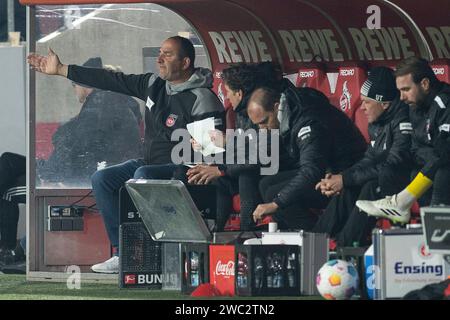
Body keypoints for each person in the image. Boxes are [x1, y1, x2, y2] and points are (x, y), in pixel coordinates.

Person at [28, 36, 224, 273]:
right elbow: (111, 79)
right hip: (151, 164)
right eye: (160, 53)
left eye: (168, 55)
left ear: (185, 62)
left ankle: (154, 251)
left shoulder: (201, 99)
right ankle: (124, 253)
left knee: (142, 174)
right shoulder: (155, 85)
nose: (159, 59)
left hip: (185, 169)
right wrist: (62, 70)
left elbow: (212, 154)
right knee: (103, 179)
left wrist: (201, 147)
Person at [312, 67, 413, 246]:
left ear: (384, 104)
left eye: (367, 102)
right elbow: (369, 159)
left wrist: (347, 179)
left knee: (370, 186)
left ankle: (346, 248)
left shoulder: (403, 121)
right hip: (385, 177)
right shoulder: (377, 122)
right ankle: (316, 242)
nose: (362, 107)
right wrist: (342, 178)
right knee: (350, 186)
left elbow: (395, 165)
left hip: (407, 181)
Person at [247, 82, 367, 230]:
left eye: (264, 122)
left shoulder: (308, 121)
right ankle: (290, 234)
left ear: (277, 106)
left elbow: (311, 170)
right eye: (258, 125)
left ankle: (316, 236)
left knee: (276, 196)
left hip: (345, 173)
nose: (262, 129)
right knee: (266, 184)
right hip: (327, 167)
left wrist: (276, 203)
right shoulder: (290, 109)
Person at [186, 62, 282, 231]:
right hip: (247, 166)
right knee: (209, 178)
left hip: (271, 168)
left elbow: (261, 154)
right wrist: (208, 148)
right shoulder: (238, 112)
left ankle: (247, 231)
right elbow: (242, 149)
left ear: (239, 93)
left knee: (245, 176)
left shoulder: (260, 109)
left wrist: (222, 167)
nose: (227, 97)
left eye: (228, 92)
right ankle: (216, 232)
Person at [357, 57, 450, 224]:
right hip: (431, 169)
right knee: (394, 172)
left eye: (406, 89)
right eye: (399, 91)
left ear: (425, 84)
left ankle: (435, 229)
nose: (401, 97)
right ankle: (404, 225)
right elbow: (416, 148)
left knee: (443, 170)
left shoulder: (445, 103)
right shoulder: (415, 107)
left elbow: (445, 151)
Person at [37, 57, 143, 185]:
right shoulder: (109, 102)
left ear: (83, 83)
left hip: (101, 176)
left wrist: (49, 171)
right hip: (110, 172)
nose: (74, 89)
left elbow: (80, 142)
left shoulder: (101, 104)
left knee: (15, 168)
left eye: (73, 84)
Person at [0, 152, 26, 267]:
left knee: (7, 194)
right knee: (6, 158)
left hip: (50, 174)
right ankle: (6, 247)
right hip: (44, 166)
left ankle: (7, 248)